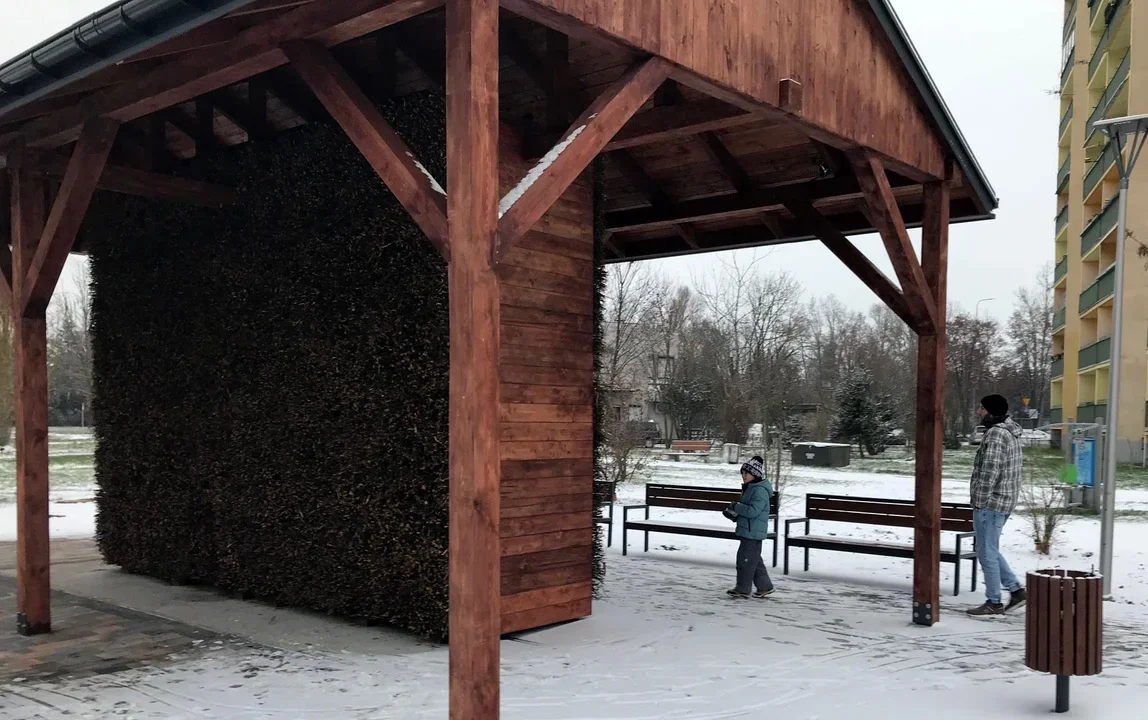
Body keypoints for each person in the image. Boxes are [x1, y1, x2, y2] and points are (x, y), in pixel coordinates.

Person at [966, 394, 1026, 616]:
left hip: (991, 503)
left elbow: (989, 471)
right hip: (1004, 501)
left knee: (986, 553)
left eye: (981, 408)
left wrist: (979, 502)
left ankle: (994, 601)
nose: (978, 412)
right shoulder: (1010, 432)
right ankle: (1016, 590)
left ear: (991, 411)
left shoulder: (996, 434)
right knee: (988, 549)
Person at [723, 455, 775, 599]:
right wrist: (734, 514)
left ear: (755, 474)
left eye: (747, 473)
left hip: (752, 532)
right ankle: (765, 586)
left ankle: (743, 588)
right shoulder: (751, 488)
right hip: (750, 530)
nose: (743, 476)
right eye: (742, 473)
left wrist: (737, 506)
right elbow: (748, 511)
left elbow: (753, 511)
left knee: (745, 561)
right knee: (754, 560)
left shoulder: (759, 491)